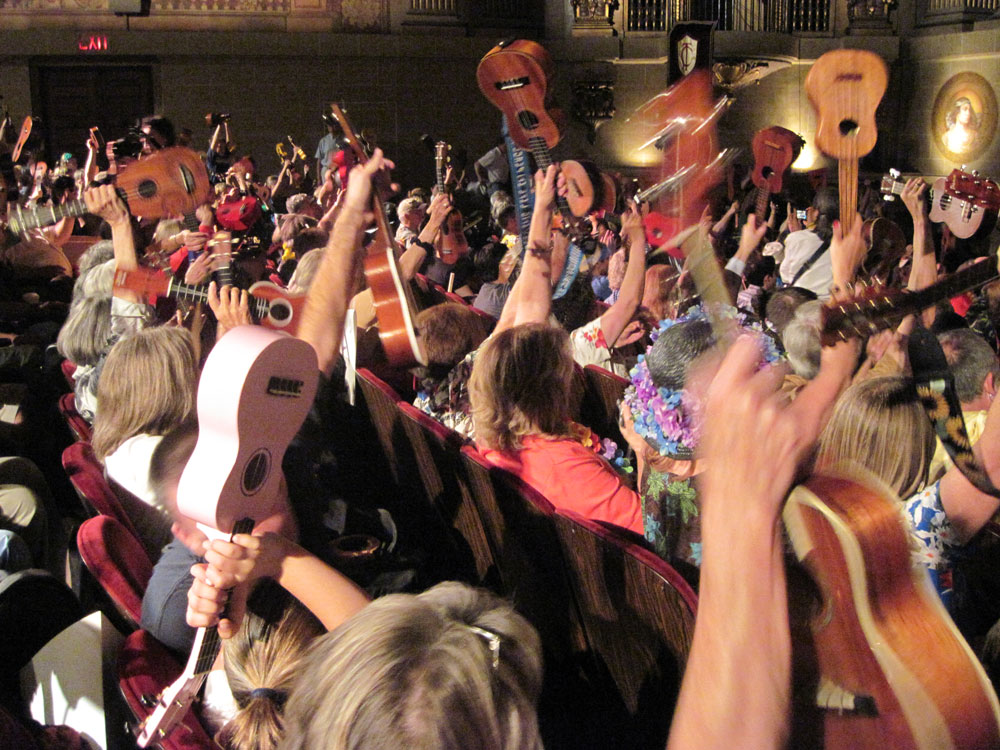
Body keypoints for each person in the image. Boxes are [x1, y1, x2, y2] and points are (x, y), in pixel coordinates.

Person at [778, 186, 839, 299]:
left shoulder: (796, 238)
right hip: (829, 306)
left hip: (802, 306)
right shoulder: (845, 243)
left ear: (815, 212)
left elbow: (785, 276)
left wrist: (796, 235)